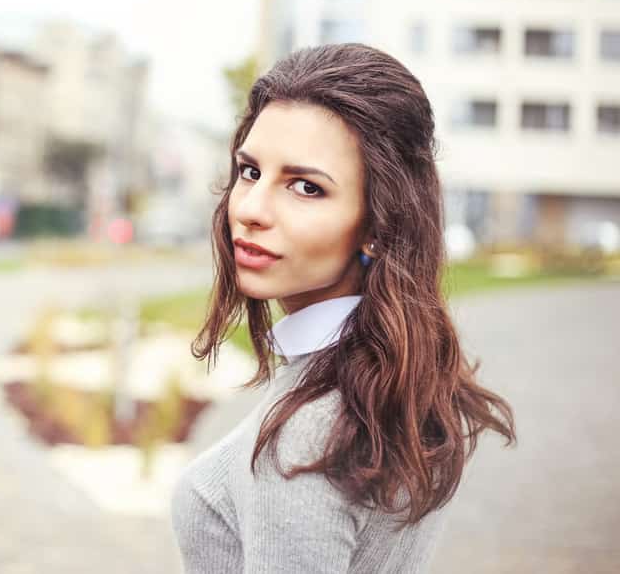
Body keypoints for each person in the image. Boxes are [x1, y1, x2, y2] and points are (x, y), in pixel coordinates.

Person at [171, 44, 517, 572]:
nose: (252, 210)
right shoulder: (389, 378)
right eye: (250, 171)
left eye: (306, 187)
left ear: (379, 225)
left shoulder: (307, 439)